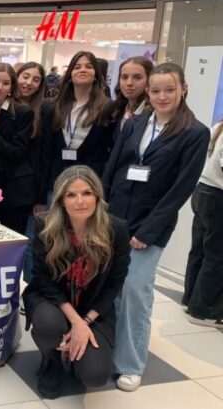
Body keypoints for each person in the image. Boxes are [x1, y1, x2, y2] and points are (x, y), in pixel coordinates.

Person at [102, 62, 210, 391]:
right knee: (111, 289)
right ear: (148, 92)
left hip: (150, 226)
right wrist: (100, 209)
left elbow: (180, 189)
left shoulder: (195, 133)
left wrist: (147, 231)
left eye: (169, 90)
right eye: (156, 90)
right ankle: (108, 351)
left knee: (135, 292)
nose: (162, 96)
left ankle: (130, 363)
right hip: (115, 217)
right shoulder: (135, 123)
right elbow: (113, 167)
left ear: (183, 89)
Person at [23, 165, 130, 399]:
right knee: (50, 325)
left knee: (95, 375)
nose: (80, 201)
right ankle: (51, 360)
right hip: (51, 299)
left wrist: (86, 321)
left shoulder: (116, 230)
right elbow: (42, 279)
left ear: (97, 197)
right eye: (71, 194)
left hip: (92, 307)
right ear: (61, 200)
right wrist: (76, 322)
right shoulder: (44, 225)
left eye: (87, 193)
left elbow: (114, 284)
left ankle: (74, 356)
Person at [41, 51, 116, 196]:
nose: (83, 70)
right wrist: (42, 193)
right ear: (70, 75)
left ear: (96, 75)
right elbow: (47, 152)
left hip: (90, 185)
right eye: (77, 67)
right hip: (57, 183)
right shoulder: (52, 107)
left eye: (89, 66)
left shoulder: (108, 108)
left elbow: (109, 152)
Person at [0, 63, 34, 234]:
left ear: (12, 87)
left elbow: (16, 152)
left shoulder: (22, 112)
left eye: (5, 83)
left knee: (11, 238)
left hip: (14, 189)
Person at [183, 118, 223, 328]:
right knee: (216, 257)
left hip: (203, 191)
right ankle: (202, 310)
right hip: (218, 195)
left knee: (199, 250)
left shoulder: (217, 127)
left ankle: (190, 298)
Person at [14, 61, 47, 282]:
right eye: (25, 76)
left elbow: (44, 157)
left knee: (27, 243)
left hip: (27, 189)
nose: (29, 83)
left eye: (36, 79)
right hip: (2, 185)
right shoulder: (2, 104)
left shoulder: (43, 111)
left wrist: (40, 196)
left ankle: (27, 289)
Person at [113, 56, 153, 130]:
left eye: (137, 77)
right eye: (124, 77)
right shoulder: (117, 111)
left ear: (149, 80)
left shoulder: (153, 115)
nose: (129, 83)